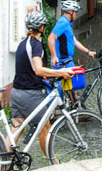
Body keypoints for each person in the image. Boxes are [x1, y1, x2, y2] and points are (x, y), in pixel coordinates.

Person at [9, 10, 74, 156]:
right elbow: (38, 70)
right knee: (45, 127)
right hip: (30, 93)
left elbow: (30, 68)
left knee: (17, 127)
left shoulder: (22, 43)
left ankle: (4, 167)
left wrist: (47, 75)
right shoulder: (36, 45)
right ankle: (54, 163)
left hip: (16, 92)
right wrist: (60, 72)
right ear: (42, 27)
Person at [48, 0, 96, 103]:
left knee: (73, 87)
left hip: (67, 59)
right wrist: (54, 56)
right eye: (76, 12)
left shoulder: (67, 24)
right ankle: (74, 113)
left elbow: (74, 41)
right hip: (63, 60)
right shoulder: (62, 22)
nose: (76, 14)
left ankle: (75, 111)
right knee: (71, 87)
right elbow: (51, 38)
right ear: (70, 11)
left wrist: (88, 52)